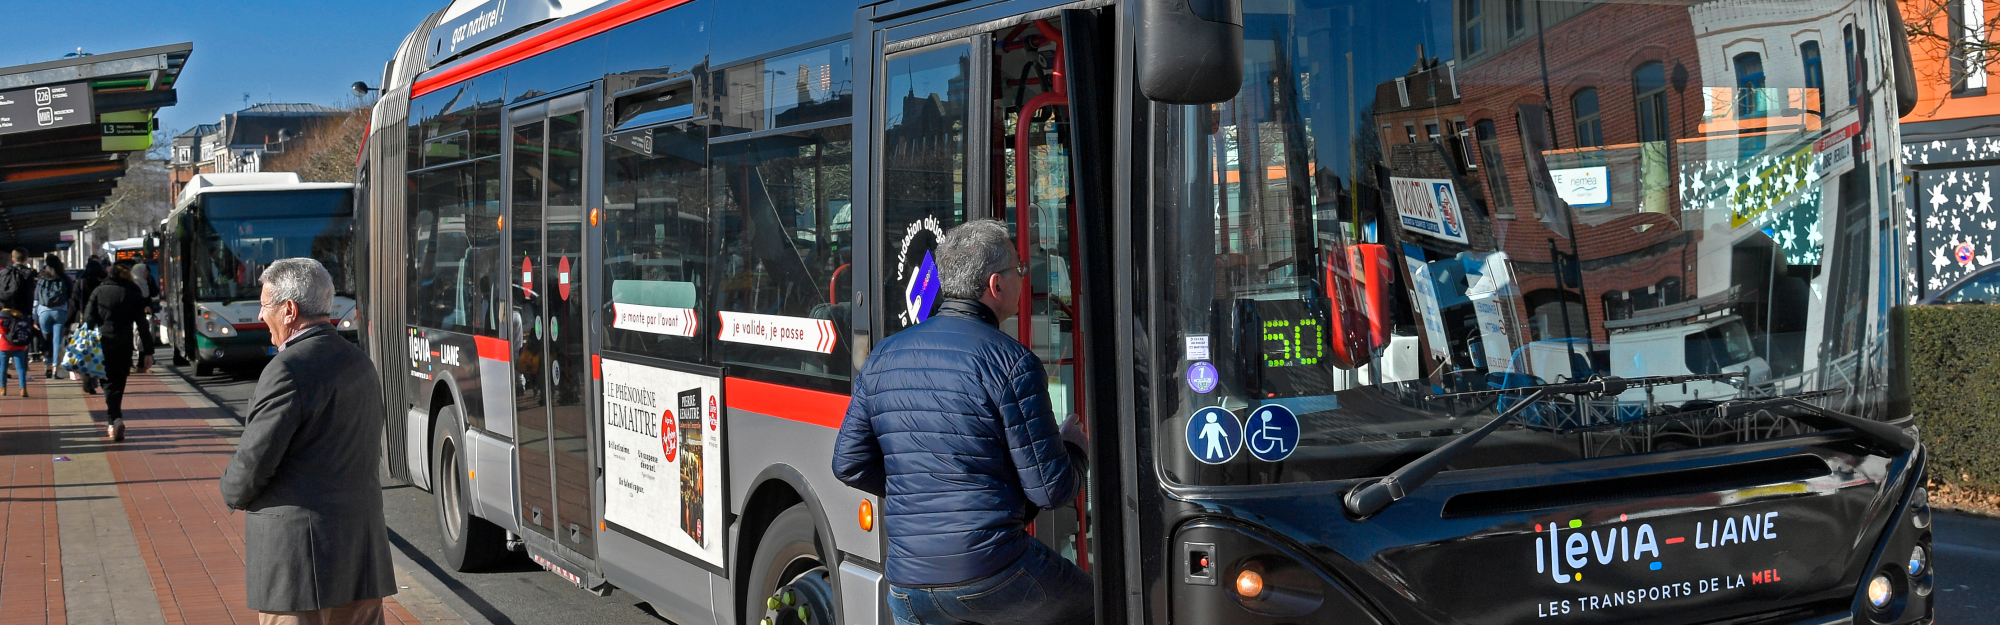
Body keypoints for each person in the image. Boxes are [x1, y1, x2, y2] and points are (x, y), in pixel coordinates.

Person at [832, 220, 1092, 625]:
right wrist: (1074, 448)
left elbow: (847, 462)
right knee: (1103, 606)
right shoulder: (1012, 363)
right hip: (992, 572)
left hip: (907, 585)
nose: (1025, 278)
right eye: (1020, 270)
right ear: (996, 285)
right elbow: (1051, 489)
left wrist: (920, 489)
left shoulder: (884, 355)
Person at [219, 258, 394, 625]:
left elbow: (254, 460)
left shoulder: (286, 369)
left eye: (265, 306)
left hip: (300, 559)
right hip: (360, 550)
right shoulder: (359, 360)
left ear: (289, 310)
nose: (260, 315)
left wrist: (231, 492)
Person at [83, 264, 153, 440]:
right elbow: (143, 324)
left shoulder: (99, 291)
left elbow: (88, 319)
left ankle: (113, 419)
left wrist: (85, 343)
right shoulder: (133, 293)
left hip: (103, 342)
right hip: (124, 342)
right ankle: (114, 418)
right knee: (119, 381)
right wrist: (148, 352)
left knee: (107, 382)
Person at [34, 254, 74, 378]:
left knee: (46, 340)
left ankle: (48, 367)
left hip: (43, 313)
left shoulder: (41, 279)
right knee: (57, 340)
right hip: (60, 312)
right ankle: (56, 369)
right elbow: (71, 297)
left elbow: (36, 300)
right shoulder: (65, 279)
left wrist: (34, 318)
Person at [0, 307, 37, 397]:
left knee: (3, 368)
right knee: (21, 368)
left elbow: (2, 331)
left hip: (5, 345)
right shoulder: (21, 316)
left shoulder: (3, 317)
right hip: (19, 345)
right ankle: (23, 388)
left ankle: (3, 388)